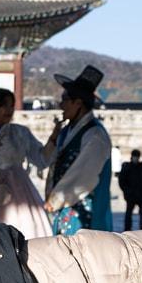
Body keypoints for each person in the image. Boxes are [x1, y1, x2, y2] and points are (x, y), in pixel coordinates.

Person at [0, 87, 53, 240]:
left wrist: (54, 139)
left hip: (19, 186)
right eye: (4, 105)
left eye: (11, 105)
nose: (9, 110)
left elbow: (41, 159)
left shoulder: (21, 132)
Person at [43, 66, 113, 234]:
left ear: (78, 103)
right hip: (64, 209)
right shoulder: (66, 131)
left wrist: (56, 199)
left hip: (85, 211)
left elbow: (84, 174)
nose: (61, 105)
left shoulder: (95, 135)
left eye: (65, 99)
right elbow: (48, 161)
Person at [117, 150, 142, 231]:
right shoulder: (127, 167)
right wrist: (127, 191)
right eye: (135, 157)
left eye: (137, 157)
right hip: (131, 195)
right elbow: (122, 181)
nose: (136, 158)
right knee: (128, 214)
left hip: (141, 195)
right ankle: (127, 229)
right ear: (132, 157)